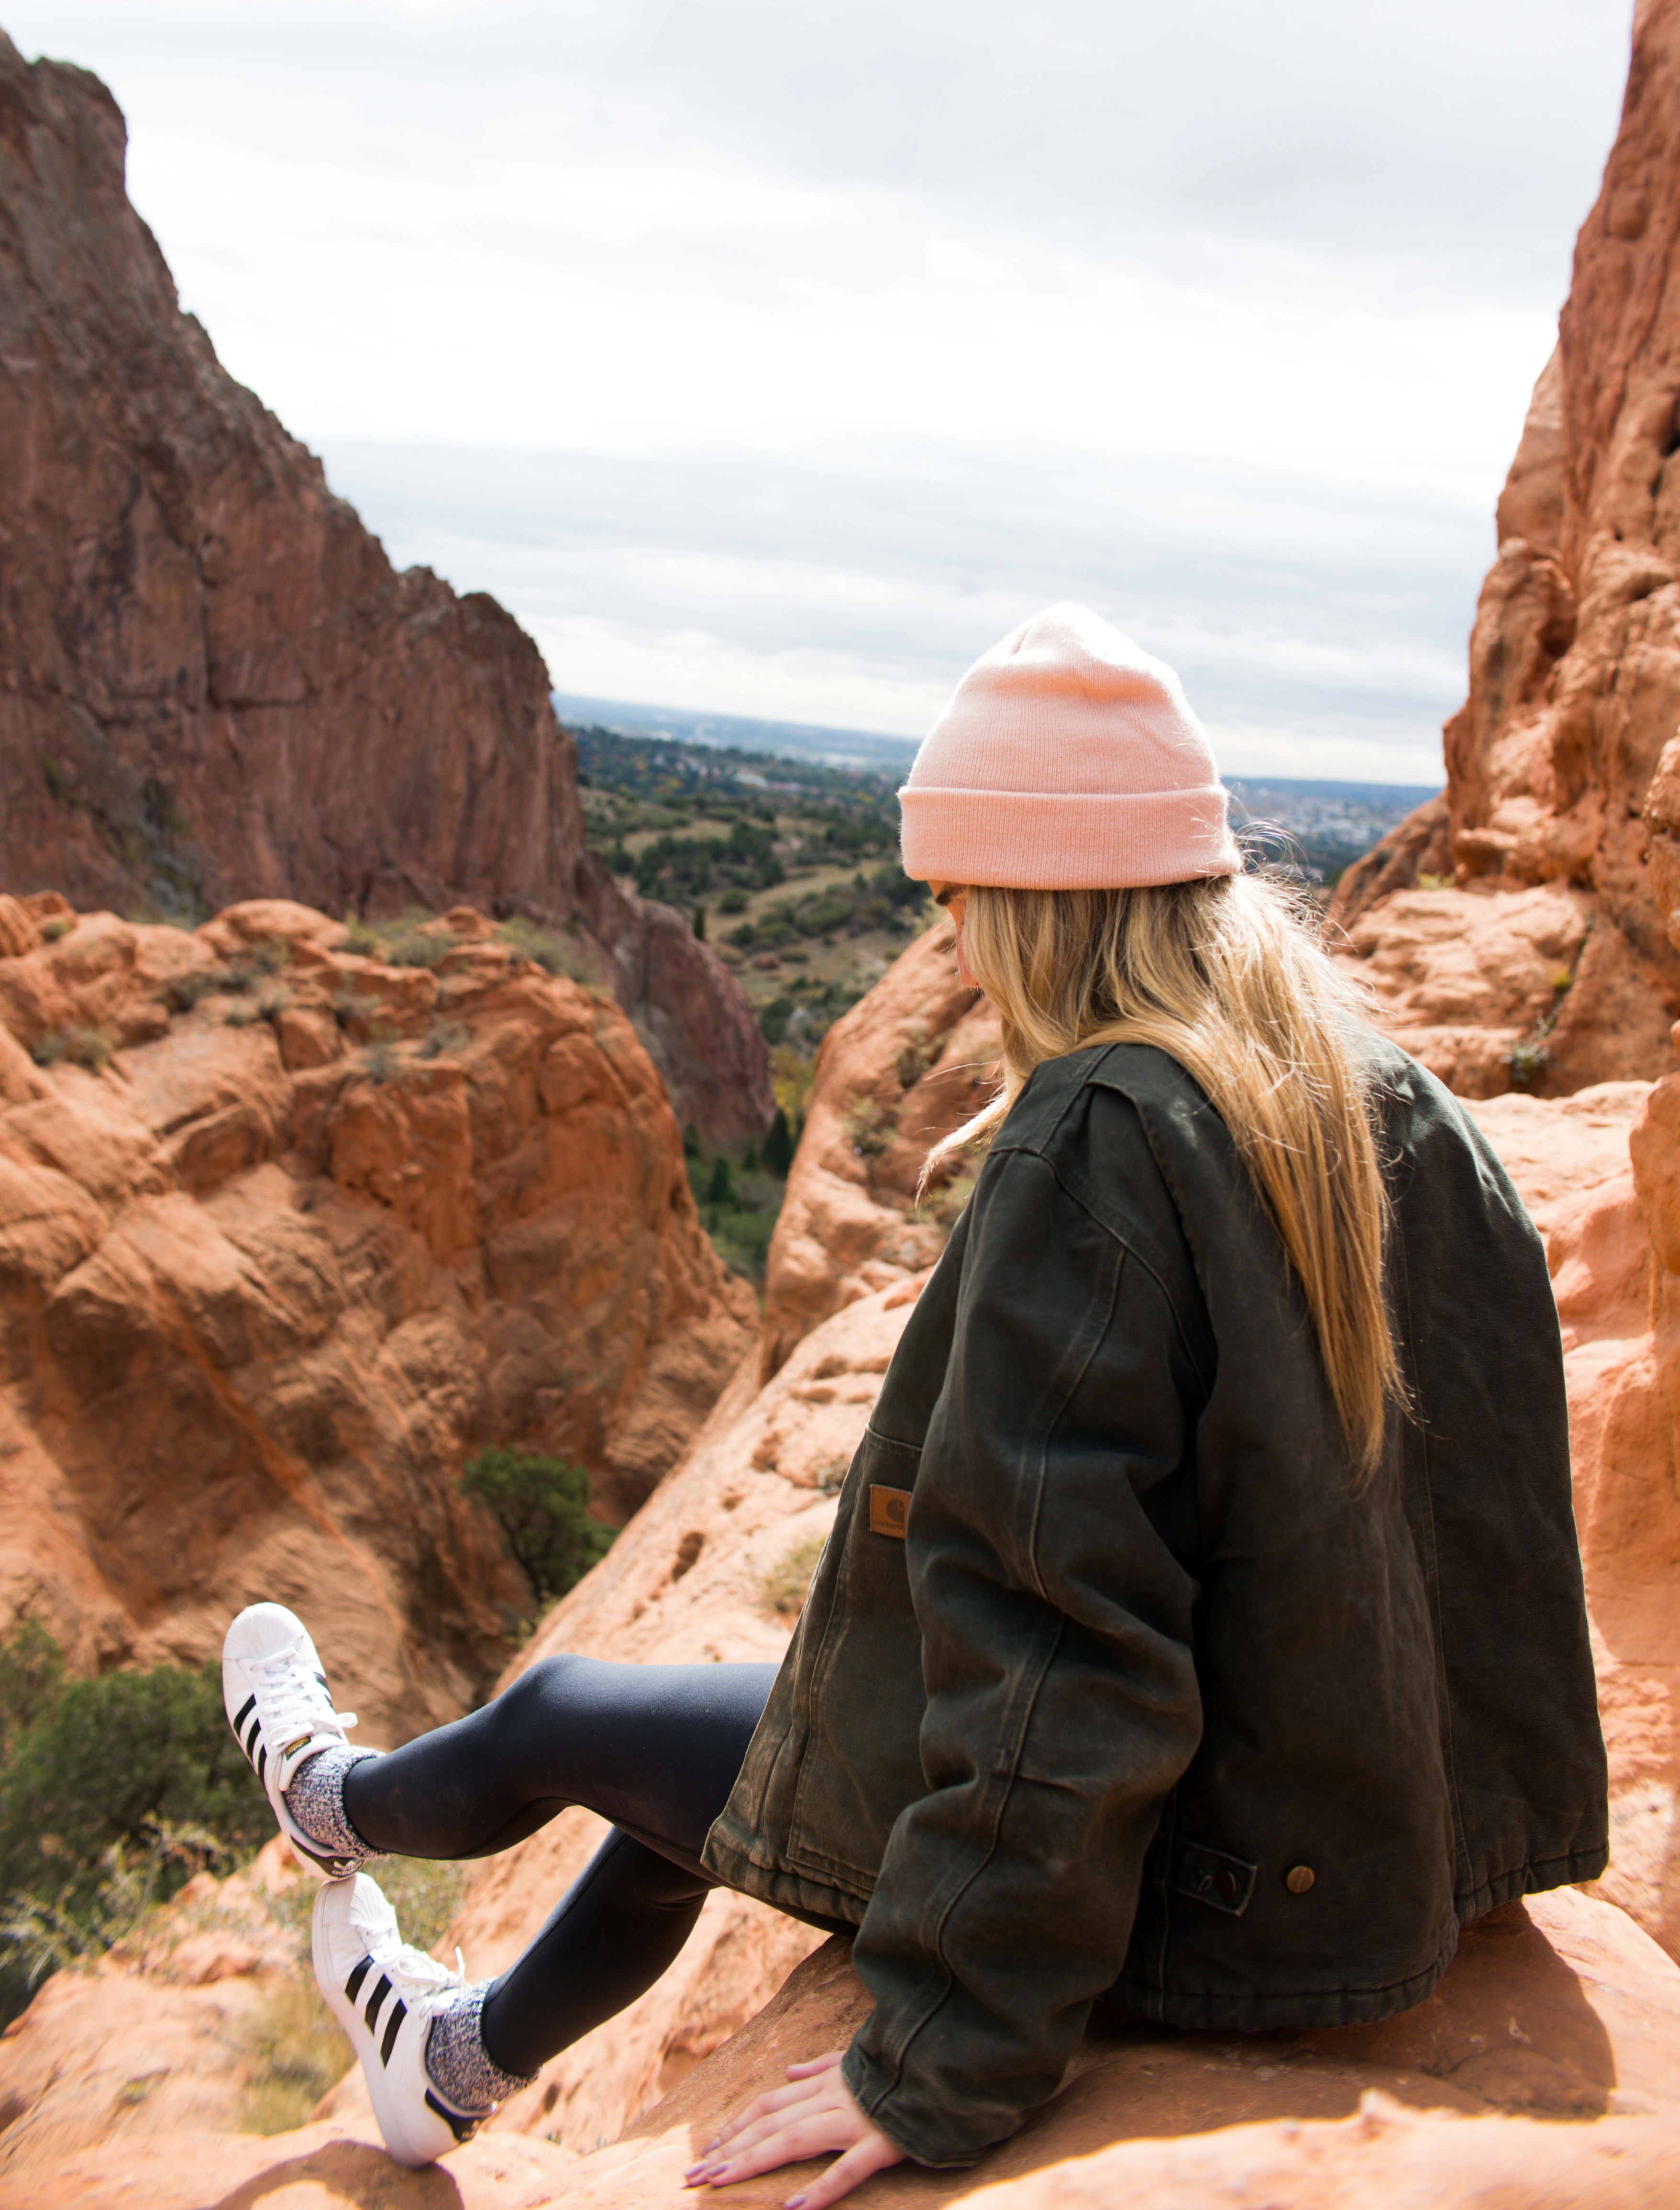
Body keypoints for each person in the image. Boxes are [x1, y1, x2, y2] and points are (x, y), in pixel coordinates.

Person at [221, 602, 1608, 2201]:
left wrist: (945, 2056)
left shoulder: (1100, 1140)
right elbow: (1490, 1525)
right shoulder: (1393, 1102)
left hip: (1205, 1876)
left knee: (568, 1712)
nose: (948, 939)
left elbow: (1066, 1648)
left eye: (955, 893)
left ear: (1030, 896)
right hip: (1361, 1831)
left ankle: (326, 1810)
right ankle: (447, 2063)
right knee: (772, 1732)